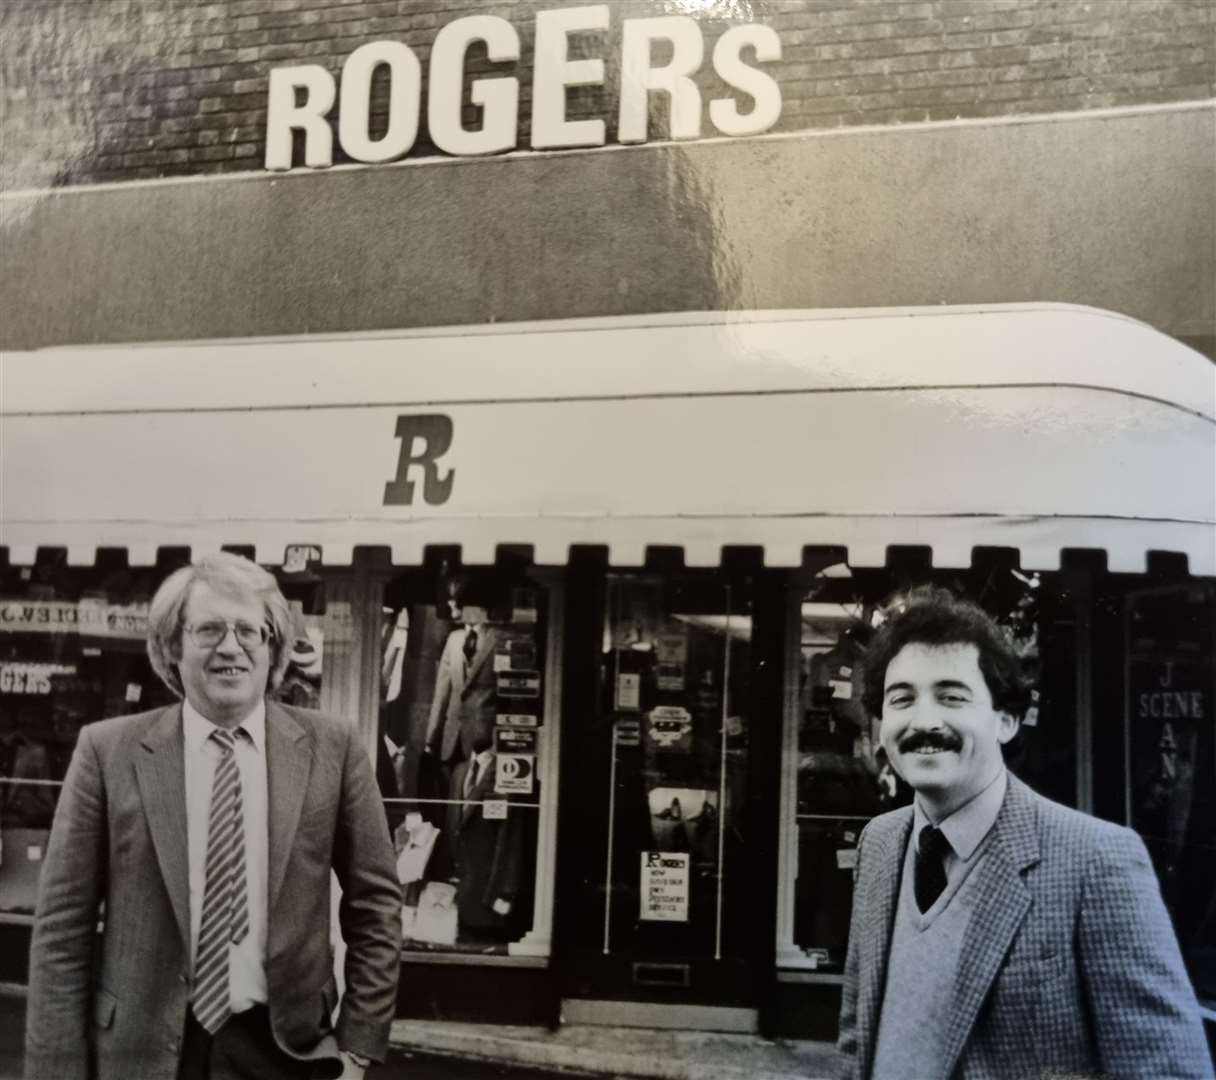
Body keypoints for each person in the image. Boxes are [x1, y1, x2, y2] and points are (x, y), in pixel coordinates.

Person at [25, 553, 403, 1080]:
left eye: (249, 630)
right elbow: (62, 934)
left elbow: (377, 905)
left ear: (272, 647)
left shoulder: (333, 748)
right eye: (208, 629)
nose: (231, 647)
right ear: (171, 646)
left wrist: (358, 1049)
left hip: (287, 1053)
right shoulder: (107, 752)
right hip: (141, 1054)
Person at [836, 586, 1213, 1080]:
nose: (924, 721)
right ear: (882, 726)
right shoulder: (880, 844)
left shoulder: (1098, 860)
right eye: (902, 699)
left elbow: (1167, 1070)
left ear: (1006, 720)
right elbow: (856, 1037)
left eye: (952, 696)